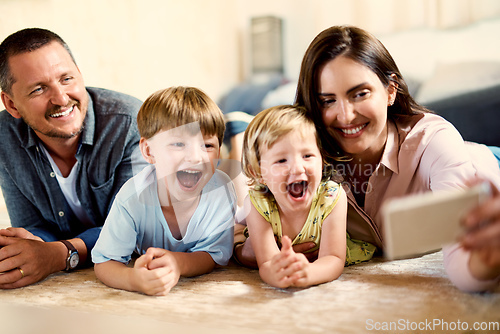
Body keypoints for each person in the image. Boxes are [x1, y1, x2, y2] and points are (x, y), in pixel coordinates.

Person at [292, 25, 500, 292]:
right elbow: (242, 225)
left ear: (391, 90)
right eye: (327, 101)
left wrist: (487, 262)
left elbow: (463, 256)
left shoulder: (433, 143)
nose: (345, 116)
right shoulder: (303, 158)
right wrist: (250, 251)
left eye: (360, 94)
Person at [0, 28, 147, 289]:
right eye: (38, 89)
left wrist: (58, 255)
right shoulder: (4, 138)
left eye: (66, 79)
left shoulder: (129, 124)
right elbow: (33, 226)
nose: (61, 98)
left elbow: (133, 231)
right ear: (11, 105)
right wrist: (22, 247)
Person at [91, 86, 236, 296]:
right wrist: (133, 279)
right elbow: (105, 262)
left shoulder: (220, 190)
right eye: (178, 143)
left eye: (207, 145)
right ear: (149, 151)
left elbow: (213, 255)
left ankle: (239, 130)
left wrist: (178, 263)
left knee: (243, 224)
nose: (196, 157)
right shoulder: (132, 197)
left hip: (233, 216)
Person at [237, 104, 375, 288]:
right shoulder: (257, 204)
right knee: (233, 221)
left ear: (323, 160)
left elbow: (333, 258)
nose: (297, 168)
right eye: (281, 160)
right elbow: (267, 263)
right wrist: (277, 274)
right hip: (242, 229)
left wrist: (309, 273)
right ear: (258, 172)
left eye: (307, 155)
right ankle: (237, 133)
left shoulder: (331, 197)